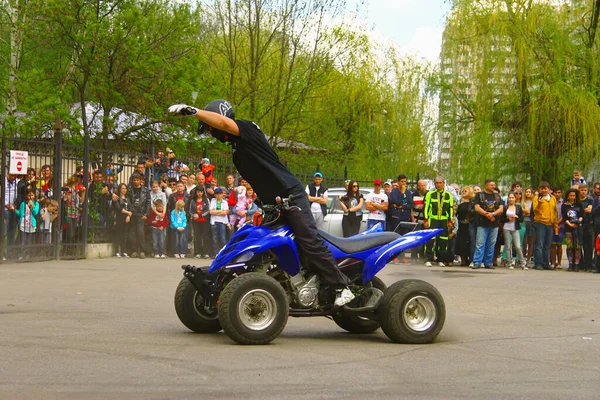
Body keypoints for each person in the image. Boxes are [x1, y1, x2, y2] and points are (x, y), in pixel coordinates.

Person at [169, 100, 354, 306]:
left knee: (309, 240)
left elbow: (226, 124)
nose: (211, 132)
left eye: (210, 128)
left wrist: (195, 112)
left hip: (290, 195)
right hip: (274, 203)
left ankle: (341, 287)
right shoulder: (237, 151)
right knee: (261, 246)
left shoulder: (248, 129)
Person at [471, 179, 503, 269]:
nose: (493, 187)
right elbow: (477, 208)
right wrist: (486, 214)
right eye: (491, 185)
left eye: (494, 185)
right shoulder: (479, 195)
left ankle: (488, 262)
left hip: (494, 223)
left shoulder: (497, 196)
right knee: (480, 243)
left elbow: (501, 208)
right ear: (486, 186)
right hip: (482, 223)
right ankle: (477, 262)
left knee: (491, 243)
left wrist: (493, 214)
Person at [423, 177, 454, 267]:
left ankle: (440, 259)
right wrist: (426, 219)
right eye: (436, 183)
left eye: (440, 183)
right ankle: (428, 259)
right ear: (434, 184)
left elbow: (451, 208)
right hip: (433, 219)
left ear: (444, 183)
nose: (438, 185)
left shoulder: (448, 195)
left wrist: (450, 220)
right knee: (430, 240)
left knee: (443, 241)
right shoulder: (430, 194)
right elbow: (426, 207)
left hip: (444, 220)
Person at [532, 181, 558, 270]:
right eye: (542, 188)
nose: (544, 190)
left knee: (548, 244)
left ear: (549, 189)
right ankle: (538, 263)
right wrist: (539, 203)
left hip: (550, 223)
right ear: (539, 189)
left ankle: (546, 262)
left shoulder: (552, 198)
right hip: (540, 222)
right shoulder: (536, 198)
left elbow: (555, 211)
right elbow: (535, 210)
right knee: (539, 244)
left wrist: (555, 223)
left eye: (546, 188)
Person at [127, 172, 150, 258]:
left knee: (140, 232)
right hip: (132, 213)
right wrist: (129, 212)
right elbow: (128, 202)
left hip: (141, 213)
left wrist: (146, 214)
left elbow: (148, 203)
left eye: (137, 180)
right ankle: (134, 250)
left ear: (141, 181)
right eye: (134, 180)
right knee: (132, 233)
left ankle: (142, 251)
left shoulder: (145, 190)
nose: (136, 181)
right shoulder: (129, 189)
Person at [501, 192, 526, 270]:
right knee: (508, 246)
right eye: (510, 198)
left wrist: (516, 217)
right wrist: (508, 219)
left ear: (515, 199)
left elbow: (522, 219)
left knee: (518, 246)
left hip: (515, 228)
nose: (511, 199)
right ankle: (509, 262)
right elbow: (501, 219)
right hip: (506, 228)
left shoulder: (518, 207)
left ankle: (523, 263)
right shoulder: (505, 207)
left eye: (512, 198)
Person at [562, 188, 583, 271]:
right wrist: (570, 224)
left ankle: (577, 264)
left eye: (573, 195)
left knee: (577, 246)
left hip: (578, 227)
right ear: (568, 196)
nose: (572, 197)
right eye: (570, 195)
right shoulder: (565, 205)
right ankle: (571, 264)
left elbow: (581, 215)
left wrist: (577, 222)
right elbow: (564, 217)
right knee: (570, 246)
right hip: (568, 227)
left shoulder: (579, 204)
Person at [189, 185, 211, 259]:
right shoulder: (193, 200)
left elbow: (208, 210)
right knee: (197, 237)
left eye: (201, 192)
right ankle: (198, 253)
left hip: (204, 220)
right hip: (195, 221)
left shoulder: (206, 200)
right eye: (198, 192)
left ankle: (206, 253)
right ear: (196, 192)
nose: (200, 193)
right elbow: (190, 210)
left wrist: (200, 215)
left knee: (205, 236)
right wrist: (193, 214)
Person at [455, 186, 474, 266]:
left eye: (465, 191)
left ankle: (470, 258)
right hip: (461, 225)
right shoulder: (459, 202)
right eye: (462, 191)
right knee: (461, 242)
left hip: (470, 225)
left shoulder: (472, 203)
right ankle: (463, 259)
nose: (463, 192)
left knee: (470, 242)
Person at [578, 184, 595, 271]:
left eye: (585, 190)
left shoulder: (590, 200)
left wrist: (581, 209)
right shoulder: (577, 200)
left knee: (589, 245)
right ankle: (581, 263)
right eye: (581, 190)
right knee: (579, 244)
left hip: (588, 223)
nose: (583, 192)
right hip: (579, 224)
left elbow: (589, 210)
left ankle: (589, 264)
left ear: (587, 191)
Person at [209, 187, 229, 257]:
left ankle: (224, 253)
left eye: (220, 194)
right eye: (217, 194)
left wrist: (216, 212)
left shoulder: (225, 202)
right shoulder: (213, 201)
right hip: (214, 221)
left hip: (222, 222)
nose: (218, 195)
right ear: (215, 195)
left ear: (222, 194)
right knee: (215, 238)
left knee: (223, 238)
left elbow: (225, 212)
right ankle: (216, 253)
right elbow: (211, 212)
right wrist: (221, 211)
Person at [112, 183, 130, 258]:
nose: (124, 190)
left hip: (126, 218)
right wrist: (128, 212)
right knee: (118, 234)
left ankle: (124, 251)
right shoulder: (117, 198)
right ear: (119, 189)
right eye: (123, 188)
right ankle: (116, 251)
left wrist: (129, 215)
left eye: (125, 188)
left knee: (124, 235)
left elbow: (130, 207)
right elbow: (118, 208)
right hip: (119, 218)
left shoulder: (128, 198)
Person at [550, 187, 564, 269]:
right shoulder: (551, 201)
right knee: (552, 244)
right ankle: (553, 262)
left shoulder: (563, 203)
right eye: (555, 192)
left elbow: (564, 215)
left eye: (559, 192)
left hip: (560, 226)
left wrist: (557, 223)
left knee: (559, 244)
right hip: (551, 225)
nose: (557, 194)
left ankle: (559, 263)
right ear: (553, 193)